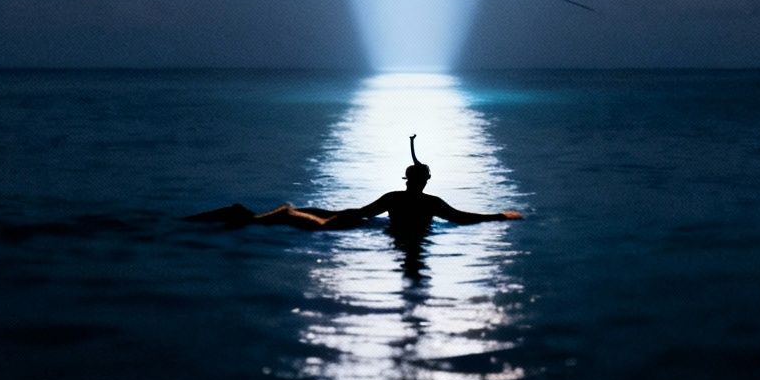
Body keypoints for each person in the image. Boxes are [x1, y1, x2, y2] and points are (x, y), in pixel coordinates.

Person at [185, 135, 522, 232]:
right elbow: (462, 218)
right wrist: (499, 216)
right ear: (425, 180)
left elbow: (361, 212)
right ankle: (259, 216)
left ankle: (248, 216)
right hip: (349, 226)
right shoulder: (429, 203)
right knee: (291, 216)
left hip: (356, 223)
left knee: (298, 214)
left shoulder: (394, 197)